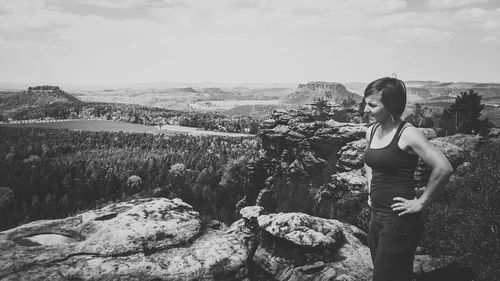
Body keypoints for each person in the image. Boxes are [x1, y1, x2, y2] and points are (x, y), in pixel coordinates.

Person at [363, 77, 453, 281]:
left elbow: (444, 167)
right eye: (365, 103)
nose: (366, 109)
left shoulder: (408, 134)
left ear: (391, 105)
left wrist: (422, 202)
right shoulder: (372, 130)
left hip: (399, 221)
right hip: (376, 218)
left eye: (372, 105)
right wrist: (370, 186)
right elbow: (368, 161)